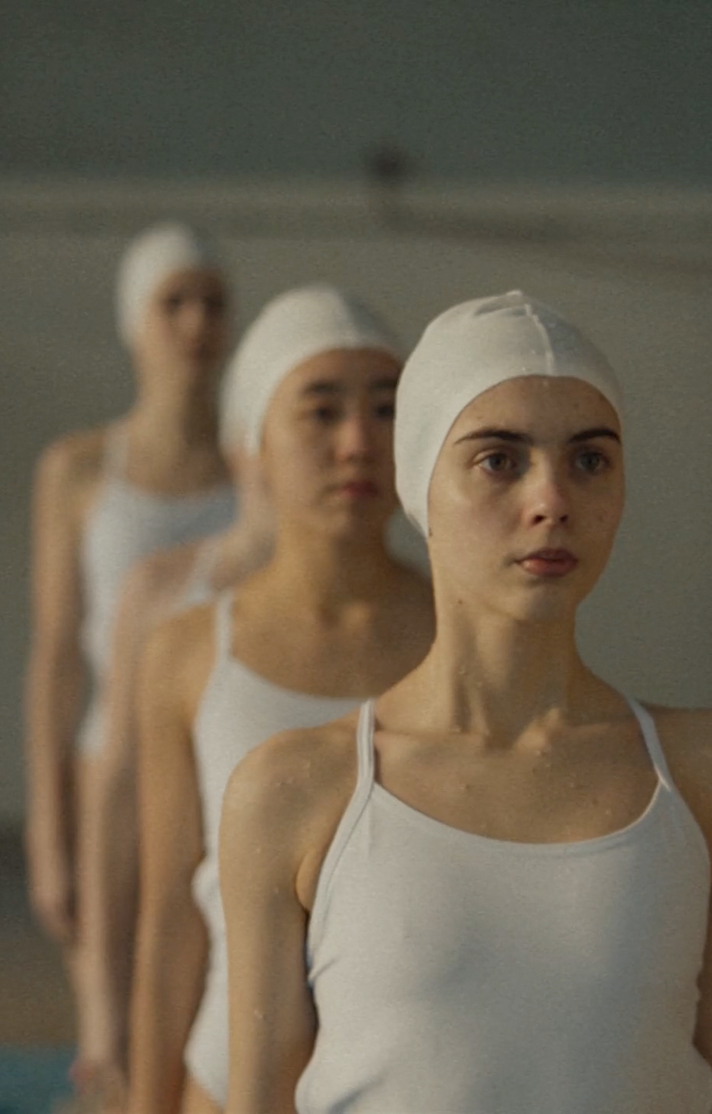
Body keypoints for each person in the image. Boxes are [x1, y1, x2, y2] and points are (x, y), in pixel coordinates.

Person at [219, 291, 712, 1114]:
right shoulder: (295, 793)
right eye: (498, 460)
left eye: (590, 459)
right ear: (420, 487)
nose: (551, 499)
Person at [129, 286, 436, 1114]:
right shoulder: (187, 651)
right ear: (251, 444)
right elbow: (169, 920)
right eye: (322, 410)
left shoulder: (464, 630)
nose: (357, 442)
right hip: (228, 1077)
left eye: (384, 409)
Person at [23, 222, 236, 1091]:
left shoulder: (255, 475)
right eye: (172, 302)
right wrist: (46, 830)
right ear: (133, 323)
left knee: (199, 1020)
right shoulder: (78, 470)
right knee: (109, 1047)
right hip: (110, 767)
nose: (195, 322)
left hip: (218, 763)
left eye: (212, 303)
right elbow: (55, 658)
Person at [74, 373, 278, 1106]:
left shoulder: (414, 617)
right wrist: (103, 1007)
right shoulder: (165, 595)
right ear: (249, 446)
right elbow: (57, 660)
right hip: (180, 877)